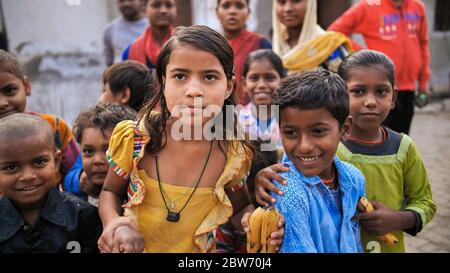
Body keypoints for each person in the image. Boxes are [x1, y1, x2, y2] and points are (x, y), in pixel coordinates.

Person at [97, 25, 283, 253]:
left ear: (229, 87)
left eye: (209, 77)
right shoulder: (136, 139)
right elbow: (110, 192)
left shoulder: (233, 154)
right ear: (163, 81)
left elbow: (240, 208)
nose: (194, 90)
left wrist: (258, 224)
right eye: (180, 76)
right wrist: (114, 224)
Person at [254, 50, 437, 253]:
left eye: (381, 92)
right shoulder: (300, 178)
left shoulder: (359, 173)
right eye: (358, 91)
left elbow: (424, 201)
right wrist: (263, 175)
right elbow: (291, 167)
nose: (370, 101)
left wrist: (399, 219)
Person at [0, 113, 102, 253]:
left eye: (39, 162)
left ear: (57, 161)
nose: (28, 176)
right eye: (11, 167)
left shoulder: (83, 217)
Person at [328, 0, 431, 134]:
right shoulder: (368, 6)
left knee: (401, 142)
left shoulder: (417, 7)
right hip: (377, 91)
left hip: (407, 89)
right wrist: (363, 54)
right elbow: (334, 33)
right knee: (374, 141)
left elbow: (423, 44)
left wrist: (423, 84)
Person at [0, 49, 79, 187]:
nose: (2, 103)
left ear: (26, 86)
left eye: (9, 91)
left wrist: (81, 179)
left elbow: (73, 171)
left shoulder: (54, 127)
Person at [64, 103, 137, 205]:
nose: (97, 160)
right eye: (88, 151)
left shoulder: (140, 194)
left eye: (109, 151)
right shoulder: (78, 201)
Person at [216, 0, 272, 105]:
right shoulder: (212, 46)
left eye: (239, 6)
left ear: (249, 12)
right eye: (226, 6)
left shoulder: (260, 43)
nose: (232, 11)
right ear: (217, 12)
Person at [272, 0, 352, 74]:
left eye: (296, 1)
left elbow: (347, 84)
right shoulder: (275, 46)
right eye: (282, 2)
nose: (287, 9)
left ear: (310, 4)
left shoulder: (329, 45)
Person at [238, 49, 285, 155]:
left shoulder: (292, 119)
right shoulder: (236, 122)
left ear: (282, 81)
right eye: (254, 78)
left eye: (270, 78)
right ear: (244, 84)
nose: (261, 85)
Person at [122, 0, 177, 75]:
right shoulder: (130, 52)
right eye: (156, 5)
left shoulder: (186, 48)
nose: (163, 10)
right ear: (144, 10)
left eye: (169, 5)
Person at [104, 0, 149, 66]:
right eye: (121, 1)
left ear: (142, 1)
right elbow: (109, 63)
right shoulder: (110, 29)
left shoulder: (153, 27)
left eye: (131, 0)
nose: (126, 4)